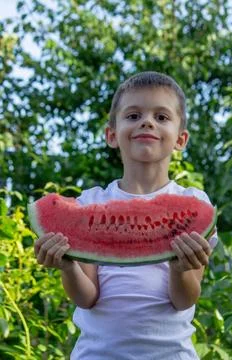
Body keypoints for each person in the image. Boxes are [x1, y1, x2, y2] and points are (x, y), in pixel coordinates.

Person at [34, 71, 218, 360]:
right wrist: (67, 267)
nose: (147, 122)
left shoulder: (194, 203)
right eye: (133, 115)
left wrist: (179, 268)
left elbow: (184, 300)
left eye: (162, 117)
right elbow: (87, 297)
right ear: (111, 134)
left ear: (181, 139)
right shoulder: (90, 203)